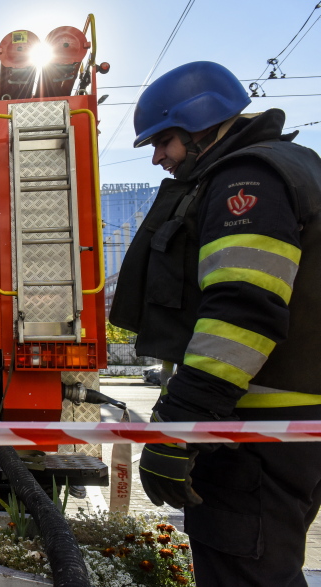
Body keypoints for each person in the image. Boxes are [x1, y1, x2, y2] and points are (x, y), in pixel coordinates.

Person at [110, 61, 321, 586]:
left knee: (243, 573)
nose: (157, 157)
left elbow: (240, 313)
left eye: (163, 141)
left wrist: (180, 425)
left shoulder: (247, 181)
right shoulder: (291, 166)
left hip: (254, 427)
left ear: (200, 123)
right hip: (283, 421)